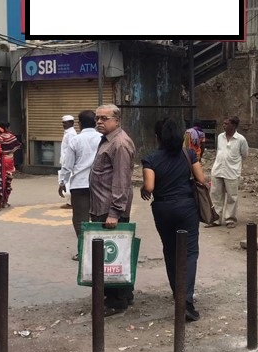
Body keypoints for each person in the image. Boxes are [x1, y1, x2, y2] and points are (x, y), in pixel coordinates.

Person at [141, 118, 207, 322]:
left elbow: (149, 187)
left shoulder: (150, 159)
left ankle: (177, 294)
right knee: (190, 252)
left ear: (157, 138)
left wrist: (143, 189)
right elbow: (201, 180)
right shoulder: (189, 155)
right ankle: (186, 300)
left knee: (170, 251)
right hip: (186, 207)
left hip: (162, 208)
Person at [88, 104, 135, 316]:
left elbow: (121, 181)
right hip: (102, 207)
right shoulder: (107, 140)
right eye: (97, 118)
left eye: (104, 118)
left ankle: (116, 301)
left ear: (116, 121)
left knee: (111, 257)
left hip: (110, 210)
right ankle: (124, 294)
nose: (99, 122)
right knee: (114, 255)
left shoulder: (120, 144)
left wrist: (114, 213)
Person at [58, 110, 101, 261]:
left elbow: (67, 165)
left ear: (79, 124)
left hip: (79, 185)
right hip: (99, 185)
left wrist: (62, 182)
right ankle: (98, 251)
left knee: (80, 220)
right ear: (96, 123)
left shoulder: (76, 140)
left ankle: (84, 252)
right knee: (98, 218)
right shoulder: (102, 139)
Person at [208, 115, 249, 229]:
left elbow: (245, 154)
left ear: (234, 125)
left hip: (232, 171)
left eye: (227, 124)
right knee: (215, 195)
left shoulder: (241, 139)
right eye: (224, 123)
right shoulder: (220, 137)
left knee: (232, 197)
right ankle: (215, 219)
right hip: (218, 169)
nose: (224, 125)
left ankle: (230, 219)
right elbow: (219, 151)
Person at [0, 122, 21, 211]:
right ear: (6, 128)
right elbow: (17, 146)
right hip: (8, 161)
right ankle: (4, 201)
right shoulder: (10, 137)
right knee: (7, 181)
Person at [58, 115, 77, 208]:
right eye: (63, 123)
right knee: (66, 181)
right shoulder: (67, 133)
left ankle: (71, 202)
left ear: (71, 123)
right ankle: (70, 201)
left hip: (68, 162)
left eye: (66, 123)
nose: (64, 125)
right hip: (65, 161)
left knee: (68, 182)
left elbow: (71, 149)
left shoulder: (71, 134)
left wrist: (68, 162)